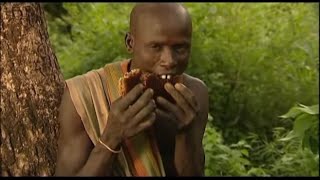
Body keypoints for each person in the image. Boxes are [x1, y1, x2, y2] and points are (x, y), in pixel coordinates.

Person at [54, 3, 208, 176]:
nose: (169, 60)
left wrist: (184, 134)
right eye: (156, 47)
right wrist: (111, 138)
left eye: (179, 48)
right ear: (130, 43)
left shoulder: (194, 93)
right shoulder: (84, 96)